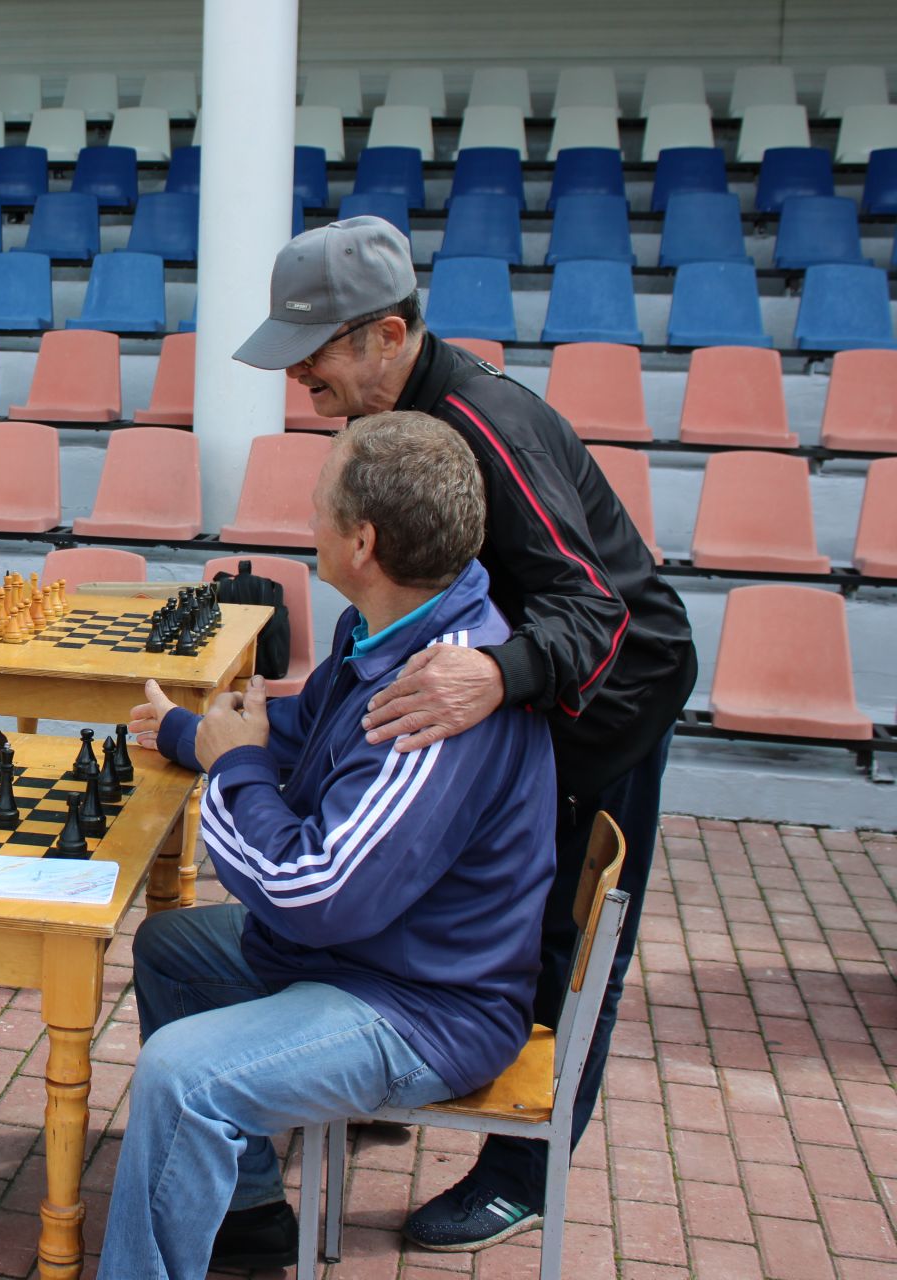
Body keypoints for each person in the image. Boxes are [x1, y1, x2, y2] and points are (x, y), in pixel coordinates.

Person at [232, 216, 698, 1251]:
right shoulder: (399, 417)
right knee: (435, 882)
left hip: (611, 698)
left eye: (317, 348)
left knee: (563, 940)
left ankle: (524, 1167)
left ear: (387, 334)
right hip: (527, 688)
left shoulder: (486, 425)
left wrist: (496, 674)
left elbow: (594, 609)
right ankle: (392, 1064)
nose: (300, 371)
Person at [98, 411, 556, 1279]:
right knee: (169, 948)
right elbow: (305, 731)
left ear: (362, 543)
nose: (305, 519)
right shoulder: (389, 628)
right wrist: (192, 733)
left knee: (182, 1078)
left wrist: (233, 768)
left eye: (318, 505)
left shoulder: (433, 702)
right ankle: (248, 1208)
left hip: (423, 1005)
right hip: (379, 954)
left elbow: (315, 893)